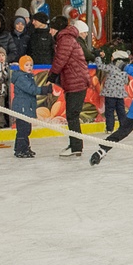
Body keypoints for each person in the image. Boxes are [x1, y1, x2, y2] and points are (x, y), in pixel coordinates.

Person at [50, 16, 91, 158]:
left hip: (76, 82)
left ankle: (76, 147)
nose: (49, 31)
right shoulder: (67, 38)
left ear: (56, 29)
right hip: (75, 81)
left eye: (51, 28)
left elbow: (60, 60)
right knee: (72, 115)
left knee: (72, 115)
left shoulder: (65, 39)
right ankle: (75, 145)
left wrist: (51, 76)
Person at [10, 56, 51, 158]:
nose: (29, 67)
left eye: (31, 65)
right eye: (26, 65)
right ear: (21, 66)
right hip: (22, 107)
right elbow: (31, 89)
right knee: (23, 129)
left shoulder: (28, 76)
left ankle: (24, 147)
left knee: (26, 129)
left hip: (27, 107)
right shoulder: (21, 77)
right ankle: (20, 149)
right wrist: (43, 90)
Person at [95, 50, 131, 134]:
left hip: (110, 94)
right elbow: (126, 81)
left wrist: (97, 57)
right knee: (121, 111)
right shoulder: (125, 69)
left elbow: (100, 66)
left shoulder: (111, 67)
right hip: (120, 94)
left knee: (110, 111)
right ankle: (123, 127)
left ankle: (110, 128)